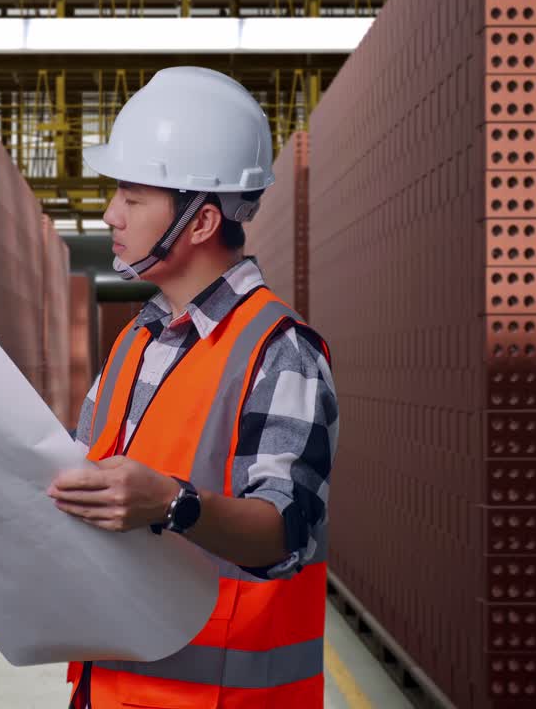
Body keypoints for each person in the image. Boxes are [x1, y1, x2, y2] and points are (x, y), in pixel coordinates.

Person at [45, 66, 341, 708]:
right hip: (108, 693)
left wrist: (173, 503)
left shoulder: (280, 350)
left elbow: (286, 528)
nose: (110, 213)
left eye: (132, 195)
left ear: (201, 222)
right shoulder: (135, 341)